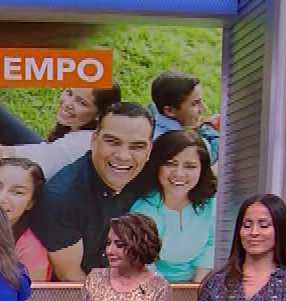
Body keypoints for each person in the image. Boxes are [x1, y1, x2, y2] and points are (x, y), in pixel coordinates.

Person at [29, 102, 155, 282]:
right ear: (94, 140)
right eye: (112, 142)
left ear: (149, 150)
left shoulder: (153, 175)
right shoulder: (62, 198)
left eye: (137, 146)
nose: (123, 156)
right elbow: (71, 276)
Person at [0, 85, 123, 190]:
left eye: (81, 102)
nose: (67, 103)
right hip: (40, 169)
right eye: (69, 92)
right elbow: (46, 152)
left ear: (99, 114)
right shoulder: (84, 134)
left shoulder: (81, 145)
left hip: (26, 196)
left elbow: (35, 162)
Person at [130, 129, 218, 283]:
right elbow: (144, 265)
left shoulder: (210, 203)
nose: (179, 174)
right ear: (157, 166)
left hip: (200, 282)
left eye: (190, 166)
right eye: (170, 164)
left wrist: (196, 287)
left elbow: (211, 244)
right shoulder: (142, 210)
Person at [149, 70, 220, 161]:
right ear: (170, 111)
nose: (203, 109)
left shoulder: (152, 120)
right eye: (195, 103)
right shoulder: (185, 146)